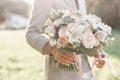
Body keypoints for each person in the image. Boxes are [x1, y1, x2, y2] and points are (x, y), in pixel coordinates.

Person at [25, 0, 105, 80]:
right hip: (60, 73)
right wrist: (51, 48)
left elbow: (83, 30)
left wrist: (93, 49)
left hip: (85, 72)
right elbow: (31, 33)